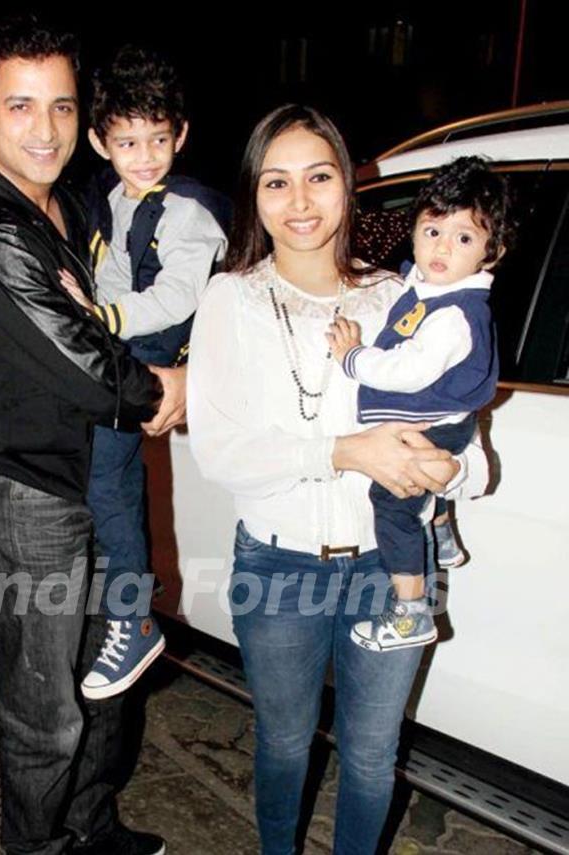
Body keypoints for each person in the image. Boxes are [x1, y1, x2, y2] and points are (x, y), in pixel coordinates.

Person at [187, 105, 487, 855]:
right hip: (278, 566)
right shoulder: (232, 299)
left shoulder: (400, 299)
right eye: (277, 182)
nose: (299, 202)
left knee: (371, 755)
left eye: (318, 177)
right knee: (285, 745)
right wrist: (346, 451)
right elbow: (220, 451)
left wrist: (452, 468)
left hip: (390, 573)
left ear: (348, 186)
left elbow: (472, 452)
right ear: (253, 195)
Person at [0, 14, 183, 855]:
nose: (46, 130)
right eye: (20, 106)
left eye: (62, 107)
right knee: (43, 715)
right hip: (23, 501)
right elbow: (86, 362)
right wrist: (162, 389)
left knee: (103, 682)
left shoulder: (64, 213)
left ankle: (90, 827)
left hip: (78, 486)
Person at [58, 45, 228, 701]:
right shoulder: (111, 196)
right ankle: (118, 601)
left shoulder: (187, 208)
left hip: (146, 351)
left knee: (109, 480)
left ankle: (132, 618)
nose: (146, 154)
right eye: (128, 141)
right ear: (102, 142)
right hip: (120, 350)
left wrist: (100, 316)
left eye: (158, 139)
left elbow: (175, 296)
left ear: (179, 135)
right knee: (104, 483)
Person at [328, 156, 514, 652]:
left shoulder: (452, 314)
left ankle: (412, 613)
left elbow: (407, 371)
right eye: (432, 230)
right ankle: (443, 532)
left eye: (464, 239)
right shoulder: (425, 290)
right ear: (412, 229)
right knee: (415, 498)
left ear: (490, 253)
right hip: (440, 423)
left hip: (433, 428)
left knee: (390, 505)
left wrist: (352, 358)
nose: (443, 248)